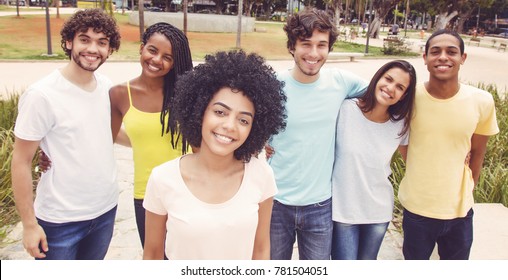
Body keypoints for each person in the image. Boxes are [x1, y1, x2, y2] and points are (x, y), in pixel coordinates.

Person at [142, 50, 287, 260]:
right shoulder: (163, 179)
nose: (229, 126)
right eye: (220, 112)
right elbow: (153, 255)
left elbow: (261, 249)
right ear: (199, 111)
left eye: (243, 120)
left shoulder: (261, 174)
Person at [11, 8, 121, 260]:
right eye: (85, 39)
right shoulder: (42, 95)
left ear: (109, 49)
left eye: (102, 42)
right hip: (60, 221)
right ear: (69, 42)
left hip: (105, 211)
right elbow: (21, 161)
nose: (93, 49)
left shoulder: (105, 86)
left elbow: (110, 132)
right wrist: (29, 225)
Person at [266, 8, 368, 260]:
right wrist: (259, 145)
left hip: (320, 205)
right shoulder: (272, 85)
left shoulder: (342, 82)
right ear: (292, 46)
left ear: (329, 48)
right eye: (305, 44)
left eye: (321, 45)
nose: (313, 53)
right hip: (275, 202)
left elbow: (384, 96)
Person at [398, 29, 499, 260]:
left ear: (462, 58)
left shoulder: (481, 101)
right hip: (417, 210)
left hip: (460, 212)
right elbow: (402, 144)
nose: (443, 57)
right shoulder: (409, 98)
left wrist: (466, 189)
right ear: (425, 58)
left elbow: (478, 153)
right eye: (435, 52)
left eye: (451, 52)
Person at [108, 22, 193, 247]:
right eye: (153, 50)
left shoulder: (185, 94)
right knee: (155, 261)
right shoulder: (119, 94)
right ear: (142, 48)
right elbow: (107, 136)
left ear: (176, 63)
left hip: (187, 192)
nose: (157, 60)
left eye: (168, 57)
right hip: (145, 194)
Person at [331, 60, 417, 260]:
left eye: (400, 87)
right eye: (388, 79)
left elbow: (414, 161)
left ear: (404, 95)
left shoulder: (400, 125)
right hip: (344, 209)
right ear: (378, 77)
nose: (390, 88)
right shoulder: (345, 109)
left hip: (378, 211)